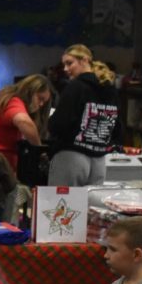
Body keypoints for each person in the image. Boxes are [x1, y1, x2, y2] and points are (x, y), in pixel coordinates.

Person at [48, 44, 121, 187]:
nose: (65, 69)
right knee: (91, 207)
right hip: (99, 160)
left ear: (85, 60)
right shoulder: (110, 89)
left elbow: (58, 123)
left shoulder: (76, 87)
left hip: (72, 156)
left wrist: (50, 122)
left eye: (70, 63)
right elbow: (117, 127)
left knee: (62, 205)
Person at [0, 74, 53, 173]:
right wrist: (40, 151)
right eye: (40, 98)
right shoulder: (13, 102)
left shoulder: (0, 98)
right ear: (31, 91)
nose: (41, 104)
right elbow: (24, 121)